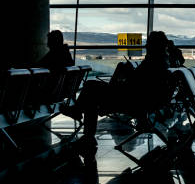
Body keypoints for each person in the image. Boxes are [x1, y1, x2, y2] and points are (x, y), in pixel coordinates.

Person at [64, 31, 172, 162]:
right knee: (93, 92)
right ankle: (85, 128)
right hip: (140, 100)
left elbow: (136, 84)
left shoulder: (152, 62)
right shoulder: (162, 62)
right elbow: (142, 84)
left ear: (154, 45)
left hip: (133, 101)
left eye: (148, 43)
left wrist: (128, 72)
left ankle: (84, 125)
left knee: (91, 88)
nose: (146, 46)